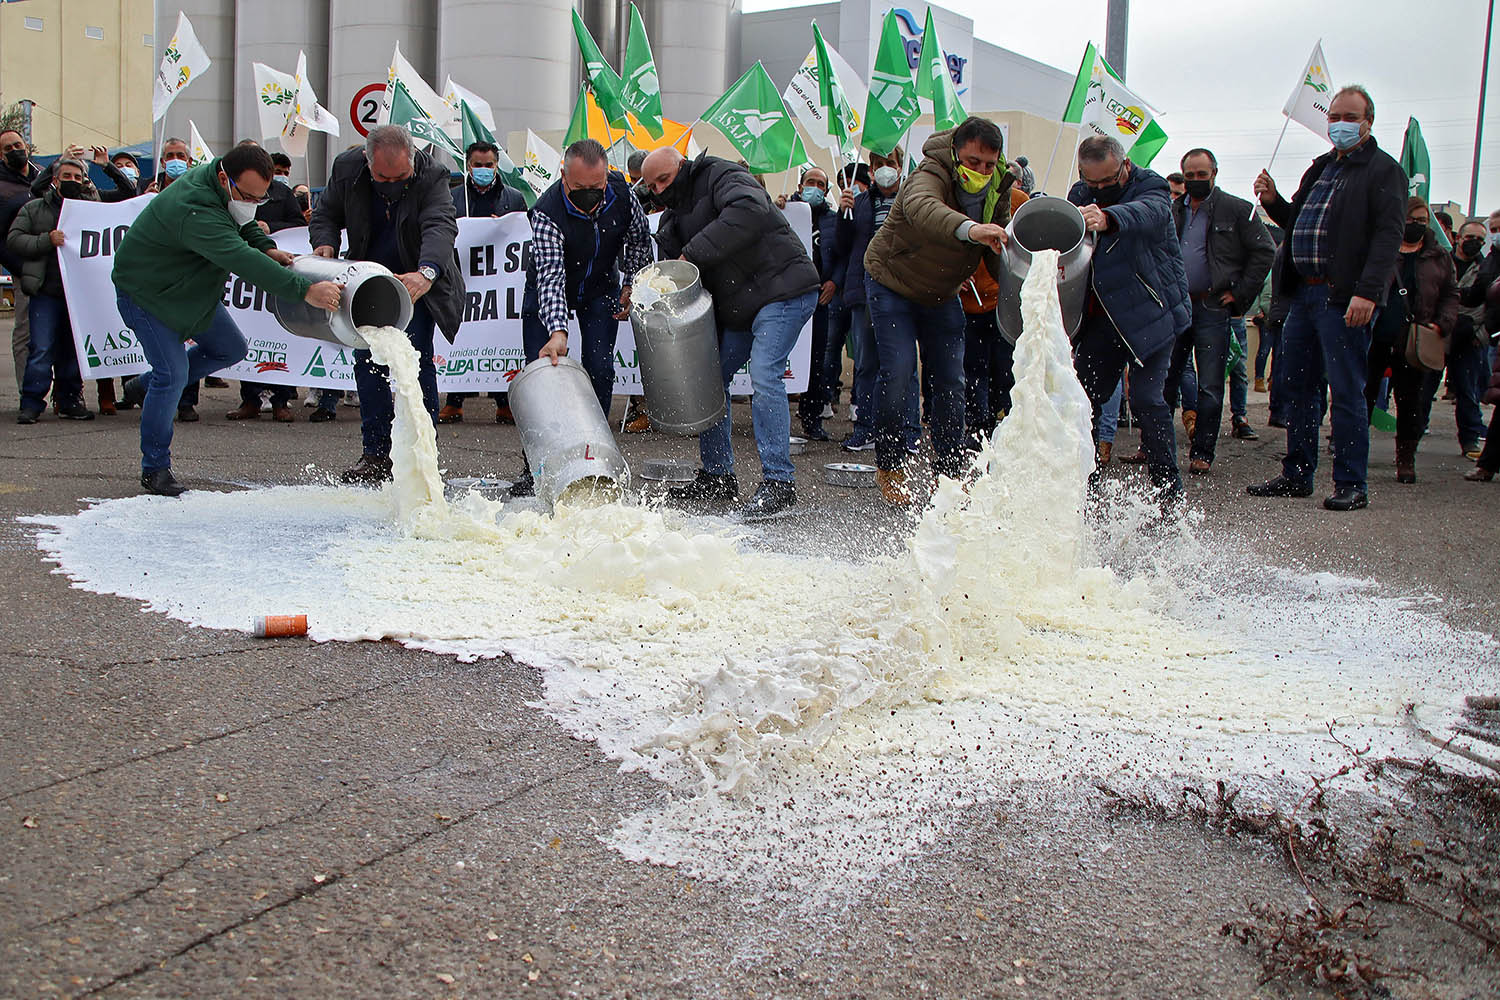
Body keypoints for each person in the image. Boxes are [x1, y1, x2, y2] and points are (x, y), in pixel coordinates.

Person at [112, 143, 342, 495]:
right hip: (148, 297)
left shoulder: (222, 186)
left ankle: (145, 385)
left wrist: (265, 244)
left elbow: (242, 223)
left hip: (191, 293)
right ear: (224, 178)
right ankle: (154, 468)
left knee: (230, 348)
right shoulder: (194, 208)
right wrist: (305, 291)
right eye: (247, 196)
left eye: (259, 198)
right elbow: (240, 258)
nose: (252, 203)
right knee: (172, 376)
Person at [640, 145, 820, 520]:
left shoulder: (721, 174)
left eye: (664, 180)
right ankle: (719, 476)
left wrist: (692, 254)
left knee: (765, 374)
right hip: (743, 305)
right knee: (712, 379)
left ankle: (779, 482)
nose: (659, 189)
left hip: (784, 289)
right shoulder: (672, 218)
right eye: (652, 185)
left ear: (682, 167)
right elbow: (673, 273)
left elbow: (749, 210)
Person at [1249, 85, 1406, 511]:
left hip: (1344, 300)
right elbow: (1296, 220)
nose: (1338, 123)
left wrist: (1368, 293)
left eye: (1349, 117)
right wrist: (1273, 200)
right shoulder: (1320, 168)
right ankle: (1297, 473)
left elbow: (1388, 237)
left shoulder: (1382, 171)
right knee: (1297, 386)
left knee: (1348, 390)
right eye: (1334, 115)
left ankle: (1351, 483)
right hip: (1303, 295)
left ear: (1368, 121)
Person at [862, 117, 1012, 504]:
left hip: (942, 291)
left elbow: (999, 255)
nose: (980, 172)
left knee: (950, 382)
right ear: (956, 152)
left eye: (988, 165)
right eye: (973, 161)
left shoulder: (1000, 187)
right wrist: (971, 230)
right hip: (892, 282)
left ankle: (948, 473)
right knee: (897, 373)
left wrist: (1026, 277)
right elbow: (923, 208)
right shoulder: (930, 170)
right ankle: (890, 464)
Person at [310, 125, 464, 484]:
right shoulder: (346, 170)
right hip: (366, 282)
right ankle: (376, 454)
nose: (392, 184)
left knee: (417, 362)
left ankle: (423, 452)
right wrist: (325, 244)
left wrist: (425, 273)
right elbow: (326, 214)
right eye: (382, 177)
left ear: (413, 159)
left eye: (401, 177)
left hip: (413, 283)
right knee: (368, 364)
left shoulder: (433, 175)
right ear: (366, 160)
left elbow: (440, 227)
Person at [511, 139, 652, 497]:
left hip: (600, 287)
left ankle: (594, 456)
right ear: (563, 176)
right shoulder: (546, 211)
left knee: (601, 369)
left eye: (596, 187)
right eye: (579, 189)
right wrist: (558, 331)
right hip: (548, 290)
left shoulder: (622, 191)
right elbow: (552, 278)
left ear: (606, 177)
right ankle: (538, 468)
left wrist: (632, 283)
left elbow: (638, 241)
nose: (590, 195)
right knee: (541, 375)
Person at [1069, 134, 1191, 501]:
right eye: (1094, 184)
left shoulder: (1151, 185)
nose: (1101, 189)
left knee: (1147, 399)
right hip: (1104, 318)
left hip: (1153, 313)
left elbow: (1151, 213)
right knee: (1083, 400)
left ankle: (1168, 493)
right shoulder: (1079, 194)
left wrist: (1109, 217)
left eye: (1108, 181)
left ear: (1124, 165)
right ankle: (1082, 488)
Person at [1164, 147, 1275, 473]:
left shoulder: (1237, 210)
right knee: (1165, 380)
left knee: (1210, 384)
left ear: (1214, 173)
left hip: (1213, 307)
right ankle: (1155, 447)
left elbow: (1265, 251)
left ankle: (1202, 453)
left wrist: (1239, 295)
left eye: (1202, 175)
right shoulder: (1173, 210)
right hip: (1177, 306)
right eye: (1190, 176)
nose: (1196, 180)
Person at [1361, 197, 1457, 484]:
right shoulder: (1383, 248)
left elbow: (1451, 294)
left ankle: (1405, 459)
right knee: (1362, 397)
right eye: (1411, 219)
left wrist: (1441, 325)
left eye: (1421, 221)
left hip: (1414, 340)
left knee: (1409, 403)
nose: (1415, 225)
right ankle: (1352, 452)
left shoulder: (1439, 256)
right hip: (1375, 336)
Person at [438, 140, 529, 426]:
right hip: (463, 277)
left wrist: (500, 225)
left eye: (488, 165)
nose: (483, 170)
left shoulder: (513, 197)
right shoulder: (453, 197)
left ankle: (504, 402)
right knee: (462, 334)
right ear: (468, 165)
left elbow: (522, 229)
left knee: (498, 333)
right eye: (478, 165)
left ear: (496, 165)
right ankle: (455, 401)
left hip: (499, 282)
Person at [835, 147, 918, 454]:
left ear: (900, 166)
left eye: (890, 164)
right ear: (871, 171)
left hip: (905, 290)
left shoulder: (912, 200)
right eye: (879, 165)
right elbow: (842, 248)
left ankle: (909, 432)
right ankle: (866, 428)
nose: (885, 169)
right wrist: (844, 215)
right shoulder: (860, 203)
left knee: (904, 364)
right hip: (866, 292)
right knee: (866, 364)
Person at [226, 146, 312, 423]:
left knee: (282, 336)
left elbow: (297, 223)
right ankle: (250, 399)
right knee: (249, 334)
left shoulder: (282, 193)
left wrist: (269, 230)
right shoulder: (225, 194)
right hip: (251, 278)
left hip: (277, 268)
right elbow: (239, 225)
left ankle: (281, 400)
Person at [8, 156, 96, 423]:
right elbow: (14, 239)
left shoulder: (90, 209)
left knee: (72, 351)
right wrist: (47, 240)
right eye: (66, 177)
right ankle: (32, 403)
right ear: (54, 180)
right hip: (45, 291)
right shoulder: (34, 209)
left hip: (76, 295)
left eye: (77, 177)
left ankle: (69, 400)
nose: (72, 181)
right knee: (41, 348)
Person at [790, 165, 840, 441]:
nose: (815, 188)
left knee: (815, 361)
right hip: (788, 297)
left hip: (819, 299)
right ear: (800, 186)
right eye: (811, 182)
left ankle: (812, 419)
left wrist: (834, 282)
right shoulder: (786, 212)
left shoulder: (833, 220)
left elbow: (844, 254)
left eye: (821, 184)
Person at [1, 128, 40, 396]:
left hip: (55, 269)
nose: (16, 150)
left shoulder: (44, 177)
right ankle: (28, 393)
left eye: (18, 144)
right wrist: (19, 269)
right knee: (25, 331)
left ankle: (66, 395)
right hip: (24, 269)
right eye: (8, 148)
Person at [1449, 218, 1491, 461]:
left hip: (1470, 336)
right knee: (1424, 390)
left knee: (1467, 391)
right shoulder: (1442, 262)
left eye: (1480, 240)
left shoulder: (1486, 269)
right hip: (1439, 333)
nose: (1474, 243)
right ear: (1458, 238)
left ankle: (1470, 438)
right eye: (1470, 238)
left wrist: (1481, 335)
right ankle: (1410, 441)